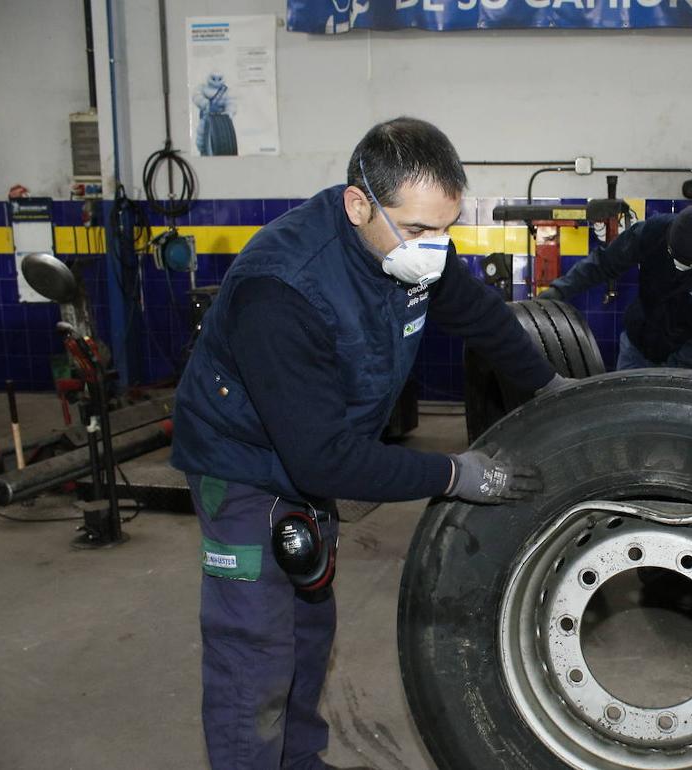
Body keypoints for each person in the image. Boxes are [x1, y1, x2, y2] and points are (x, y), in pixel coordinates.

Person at [170, 116, 560, 770]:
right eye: (418, 230)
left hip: (309, 459)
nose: (435, 248)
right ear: (359, 204)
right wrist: (453, 475)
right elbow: (322, 459)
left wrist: (550, 388)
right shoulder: (283, 289)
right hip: (241, 469)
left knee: (308, 633)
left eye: (446, 228)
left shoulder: (412, 250)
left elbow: (484, 318)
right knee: (256, 654)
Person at [538, 205, 692, 371]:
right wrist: (559, 290)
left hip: (691, 362)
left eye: (687, 264)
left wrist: (670, 371)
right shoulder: (652, 232)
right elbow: (604, 263)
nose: (678, 267)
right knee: (626, 417)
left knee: (676, 421)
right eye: (674, 256)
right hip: (637, 348)